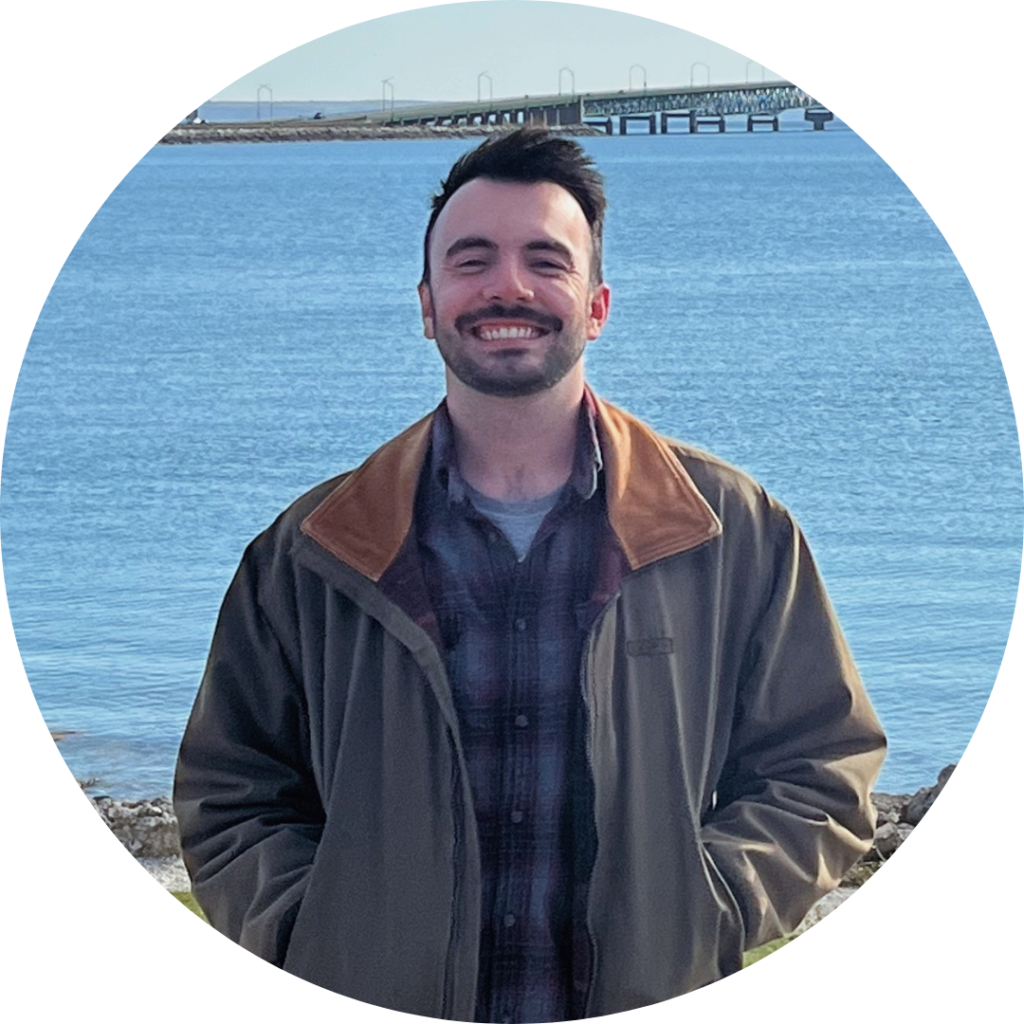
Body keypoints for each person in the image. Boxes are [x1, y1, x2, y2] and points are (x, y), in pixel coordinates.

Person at [174, 127, 886, 1023]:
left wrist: (715, 905)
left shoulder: (729, 531)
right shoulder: (310, 551)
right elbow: (230, 795)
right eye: (472, 261)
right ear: (427, 303)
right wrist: (312, 933)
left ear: (596, 306)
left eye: (545, 260)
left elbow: (824, 766)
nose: (507, 286)